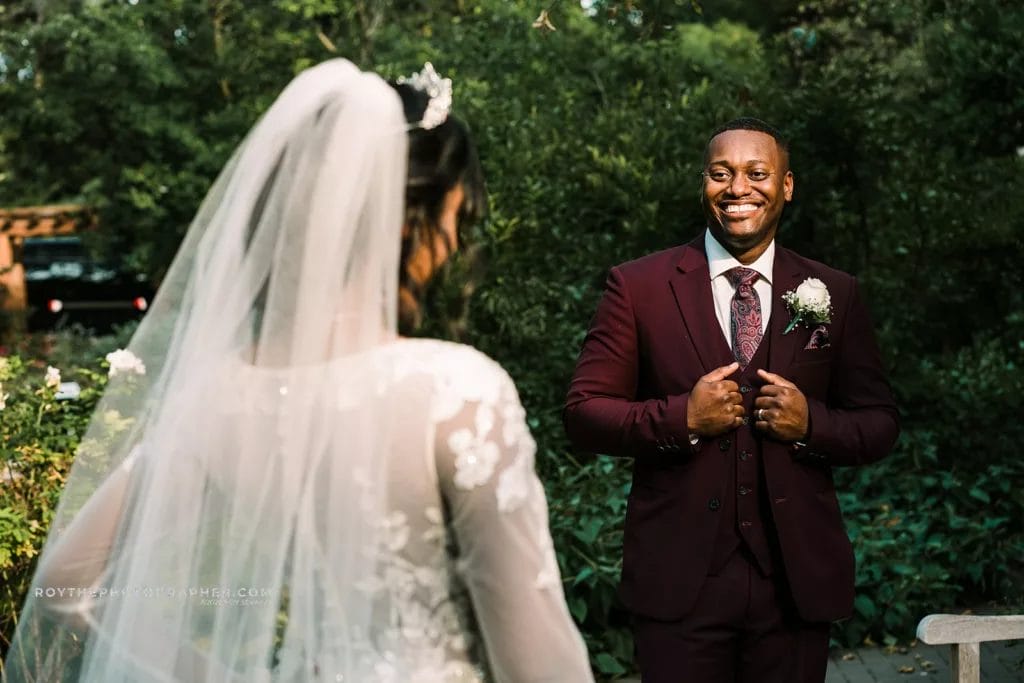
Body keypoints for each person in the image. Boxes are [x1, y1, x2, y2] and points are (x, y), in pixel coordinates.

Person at [4, 59, 593, 683]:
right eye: (456, 218)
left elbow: (64, 584)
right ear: (408, 216)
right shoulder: (454, 392)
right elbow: (540, 662)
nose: (452, 243)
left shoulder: (216, 400)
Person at [563, 117, 899, 682]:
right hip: (680, 584)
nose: (738, 188)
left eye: (757, 173)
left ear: (786, 186)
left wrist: (811, 425)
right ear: (704, 184)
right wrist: (681, 417)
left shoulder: (834, 292)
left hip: (793, 585)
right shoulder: (638, 287)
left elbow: (880, 423)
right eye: (722, 173)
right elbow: (583, 413)